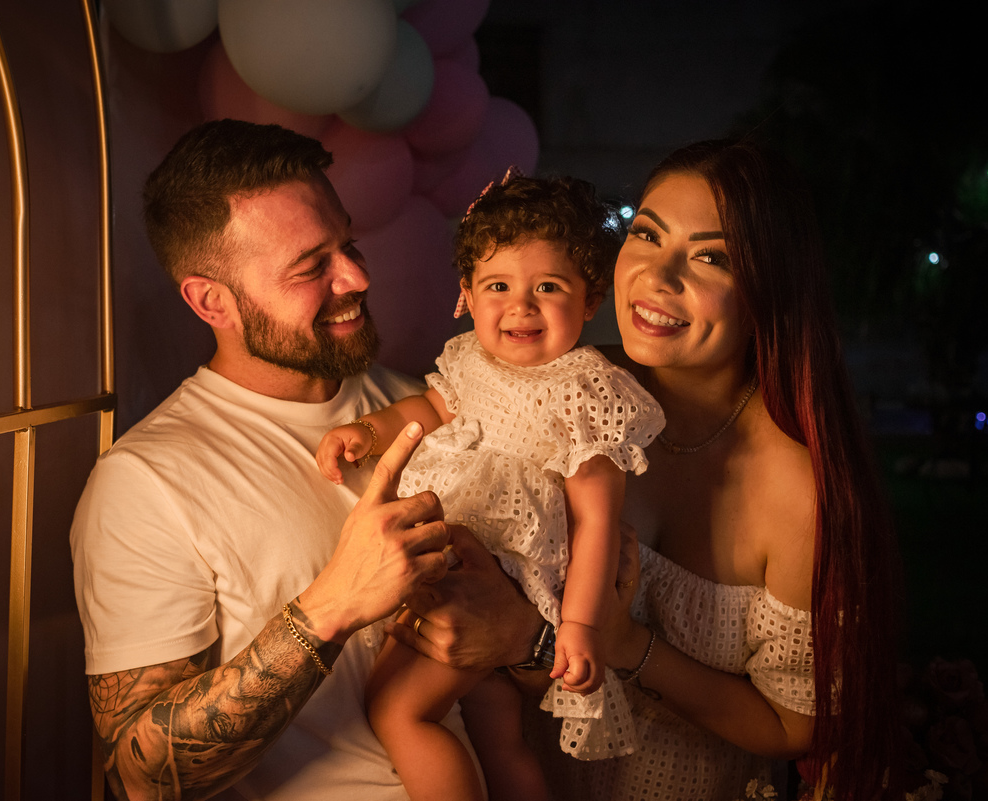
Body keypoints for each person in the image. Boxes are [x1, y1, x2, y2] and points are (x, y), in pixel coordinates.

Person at [69, 119, 547, 801]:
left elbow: (555, 671)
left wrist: (524, 638)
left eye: (347, 245)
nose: (357, 276)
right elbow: (141, 775)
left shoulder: (433, 405)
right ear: (211, 301)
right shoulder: (147, 482)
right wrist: (332, 606)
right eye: (310, 267)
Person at [500, 140, 900, 801]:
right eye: (646, 234)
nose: (657, 275)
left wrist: (628, 644)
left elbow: (793, 726)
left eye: (711, 257)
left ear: (769, 291)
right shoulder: (564, 390)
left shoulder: (798, 493)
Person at [316, 172, 665, 801]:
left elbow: (596, 521)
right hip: (467, 563)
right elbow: (429, 408)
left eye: (548, 287)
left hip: (500, 575)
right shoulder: (469, 361)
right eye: (498, 286)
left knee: (398, 711)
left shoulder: (585, 391)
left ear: (590, 300)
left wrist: (580, 626)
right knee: (498, 736)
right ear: (468, 296)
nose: (521, 306)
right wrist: (368, 430)